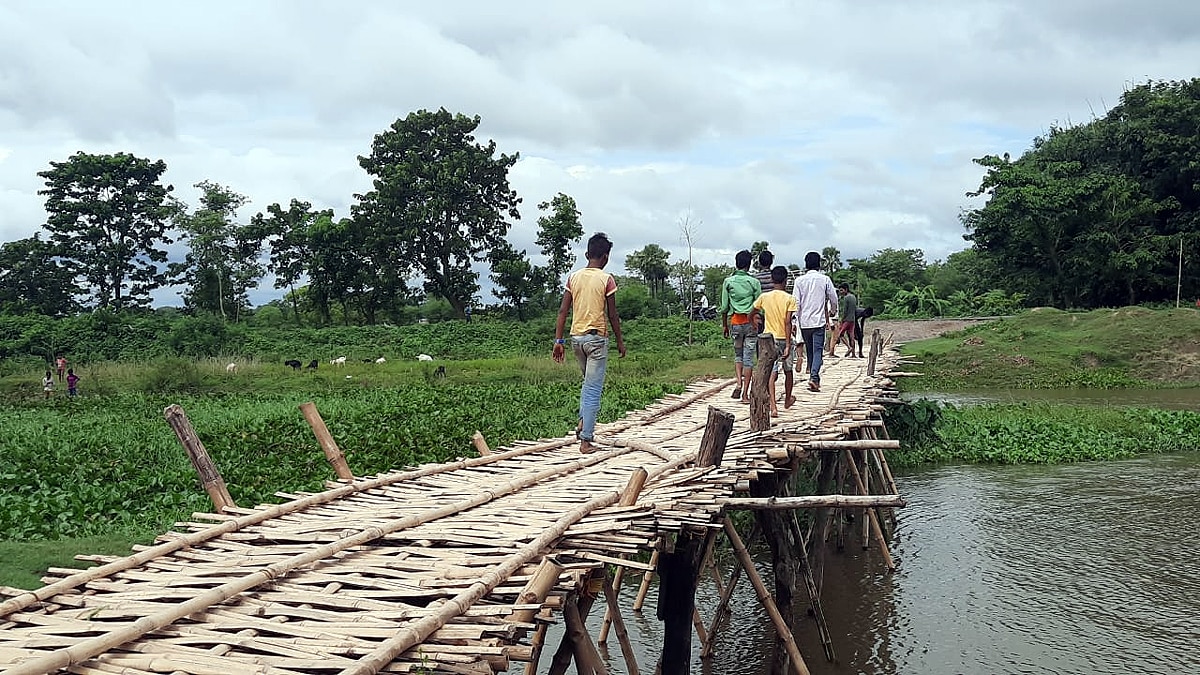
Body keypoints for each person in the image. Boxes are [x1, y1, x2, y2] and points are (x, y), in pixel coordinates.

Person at [553, 233, 627, 454]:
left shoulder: (573, 278)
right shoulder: (607, 279)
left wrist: (559, 340)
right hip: (596, 339)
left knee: (587, 383)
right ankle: (586, 440)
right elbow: (613, 316)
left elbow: (563, 311)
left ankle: (582, 423)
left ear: (587, 254)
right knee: (593, 388)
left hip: (576, 339)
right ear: (605, 257)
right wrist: (620, 342)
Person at [750, 265, 797, 414]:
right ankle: (788, 398)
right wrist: (789, 345)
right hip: (784, 338)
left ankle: (773, 405)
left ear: (771, 279)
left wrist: (753, 322)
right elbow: (788, 322)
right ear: (786, 280)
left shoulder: (764, 297)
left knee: (771, 372)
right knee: (788, 370)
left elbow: (752, 312)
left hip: (769, 339)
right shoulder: (790, 299)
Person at [719, 250, 762, 403]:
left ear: (736, 263)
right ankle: (745, 394)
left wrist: (725, 325)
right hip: (751, 324)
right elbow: (758, 306)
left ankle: (738, 382)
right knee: (749, 358)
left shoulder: (728, 281)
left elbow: (724, 307)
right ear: (749, 264)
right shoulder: (754, 282)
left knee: (738, 355)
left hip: (735, 322)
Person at [792, 251, 838, 392]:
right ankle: (814, 376)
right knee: (818, 350)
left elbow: (796, 302)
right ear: (819, 264)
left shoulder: (799, 281)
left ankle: (814, 378)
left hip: (804, 322)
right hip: (818, 321)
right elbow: (833, 297)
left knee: (810, 350)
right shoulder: (824, 279)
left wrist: (794, 321)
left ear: (806, 264)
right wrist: (833, 311)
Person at [829, 284, 859, 357]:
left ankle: (849, 348)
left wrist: (842, 320)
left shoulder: (846, 298)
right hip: (852, 319)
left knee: (840, 334)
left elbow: (845, 310)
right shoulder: (853, 297)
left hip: (847, 320)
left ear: (846, 289)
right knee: (851, 336)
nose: (840, 292)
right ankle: (853, 354)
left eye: (841, 290)